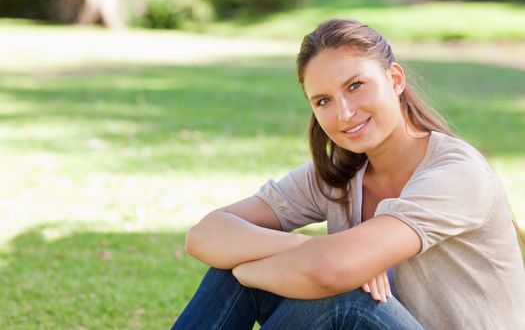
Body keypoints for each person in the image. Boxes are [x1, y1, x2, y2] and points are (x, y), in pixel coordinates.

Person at [171, 19, 525, 329]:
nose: (344, 113)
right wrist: (303, 247)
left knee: (340, 298)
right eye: (323, 100)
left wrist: (253, 270)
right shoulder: (338, 175)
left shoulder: (457, 174)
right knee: (232, 268)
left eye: (356, 85)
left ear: (395, 79)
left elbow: (329, 272)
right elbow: (205, 235)